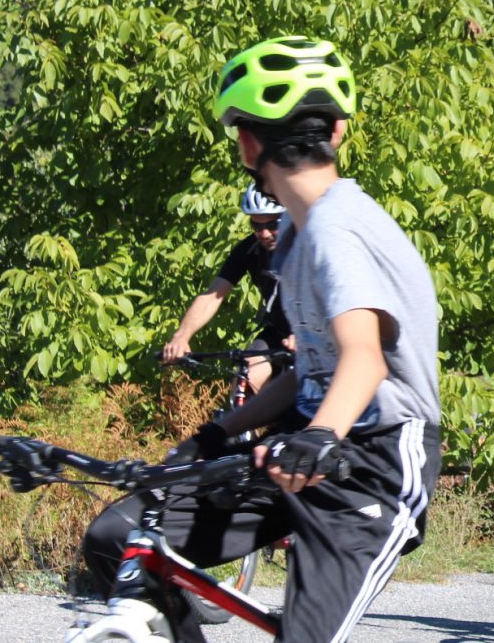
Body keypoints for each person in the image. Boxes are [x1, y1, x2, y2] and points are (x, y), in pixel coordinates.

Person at [84, 36, 441, 643]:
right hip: (300, 449)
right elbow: (313, 374)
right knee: (120, 539)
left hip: (375, 463)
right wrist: (216, 432)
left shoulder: (336, 230)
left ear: (249, 144)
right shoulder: (300, 238)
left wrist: (320, 435)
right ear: (338, 129)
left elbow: (364, 357)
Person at [161, 184, 294, 392]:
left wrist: (309, 334)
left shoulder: (309, 245)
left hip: (319, 334)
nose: (265, 233)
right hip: (277, 332)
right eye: (257, 226)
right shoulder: (249, 249)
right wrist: (181, 337)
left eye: (272, 224)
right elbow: (212, 296)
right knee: (244, 380)